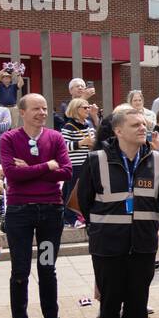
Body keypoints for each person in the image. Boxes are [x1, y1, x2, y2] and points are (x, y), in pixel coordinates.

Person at [73, 108, 159, 318]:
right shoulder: (96, 160)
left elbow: (157, 199)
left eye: (144, 124)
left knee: (139, 304)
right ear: (118, 131)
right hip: (108, 246)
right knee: (110, 305)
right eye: (136, 124)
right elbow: (86, 201)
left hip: (142, 244)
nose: (143, 128)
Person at [0, 93, 75, 318]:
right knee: (20, 270)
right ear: (22, 112)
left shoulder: (55, 137)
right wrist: (47, 166)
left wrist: (30, 168)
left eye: (44, 108)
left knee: (47, 268)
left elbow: (66, 171)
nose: (42, 112)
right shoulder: (9, 138)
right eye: (35, 108)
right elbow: (11, 174)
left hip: (50, 212)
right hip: (20, 212)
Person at [59, 98, 96, 228]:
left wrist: (92, 143)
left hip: (88, 163)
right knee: (72, 191)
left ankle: (81, 216)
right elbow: (63, 146)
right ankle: (70, 218)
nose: (88, 110)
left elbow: (93, 142)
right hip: (75, 164)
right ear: (76, 109)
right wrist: (81, 143)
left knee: (84, 191)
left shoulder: (89, 124)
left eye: (88, 107)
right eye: (84, 108)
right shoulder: (68, 126)